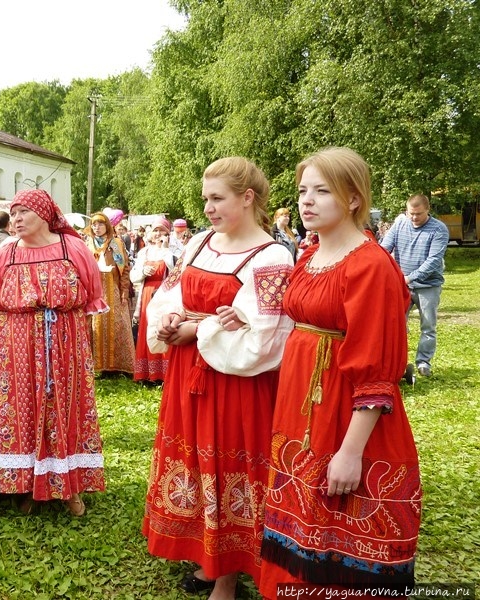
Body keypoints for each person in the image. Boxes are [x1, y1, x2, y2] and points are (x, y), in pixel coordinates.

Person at [259, 147, 421, 596]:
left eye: (322, 191)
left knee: (341, 522)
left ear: (353, 198)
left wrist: (351, 451)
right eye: (303, 190)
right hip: (299, 409)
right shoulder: (308, 256)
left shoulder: (370, 265)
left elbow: (378, 369)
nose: (307, 201)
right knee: (302, 517)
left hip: (345, 415)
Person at [142, 157, 294, 598]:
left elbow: (266, 336)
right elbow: (172, 291)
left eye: (217, 198)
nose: (208, 208)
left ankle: (227, 577)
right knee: (194, 460)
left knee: (230, 466)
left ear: (247, 198)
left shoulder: (272, 257)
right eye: (205, 198)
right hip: (188, 373)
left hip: (237, 382)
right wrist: (169, 323)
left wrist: (196, 329)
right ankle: (206, 559)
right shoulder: (200, 243)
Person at [0, 189, 107, 517]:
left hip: (66, 337)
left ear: (44, 214)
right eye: (14, 213)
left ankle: (71, 486)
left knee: (67, 406)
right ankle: (28, 485)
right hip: (18, 342)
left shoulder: (73, 248)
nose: (17, 219)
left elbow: (92, 292)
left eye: (24, 211)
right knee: (23, 408)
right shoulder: (5, 253)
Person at [380, 193, 449, 377]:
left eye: (418, 214)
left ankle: (423, 362)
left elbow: (434, 260)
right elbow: (384, 248)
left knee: (428, 325)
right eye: (411, 213)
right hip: (402, 286)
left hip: (428, 286)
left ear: (428, 210)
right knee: (395, 324)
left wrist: (409, 278)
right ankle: (397, 362)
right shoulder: (401, 223)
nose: (414, 217)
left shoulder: (439, 229)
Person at [85, 212, 136, 375]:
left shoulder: (116, 244)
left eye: (100, 224)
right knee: (96, 325)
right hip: (95, 290)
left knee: (117, 324)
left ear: (107, 226)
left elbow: (124, 269)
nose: (96, 228)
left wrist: (124, 292)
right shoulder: (88, 244)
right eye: (94, 225)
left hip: (112, 288)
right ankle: (97, 364)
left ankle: (116, 365)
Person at [130, 218, 174, 384]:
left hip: (164, 294)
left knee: (162, 328)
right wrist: (142, 271)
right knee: (147, 329)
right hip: (147, 294)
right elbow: (133, 277)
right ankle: (147, 373)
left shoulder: (172, 252)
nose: (158, 234)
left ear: (167, 234)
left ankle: (163, 374)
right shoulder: (144, 252)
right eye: (155, 231)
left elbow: (176, 271)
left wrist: (165, 249)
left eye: (162, 231)